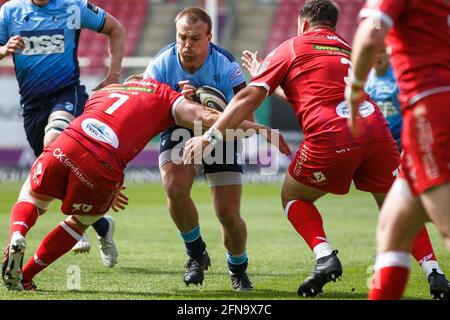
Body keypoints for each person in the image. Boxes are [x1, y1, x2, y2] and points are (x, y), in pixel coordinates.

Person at [184, 0, 447, 298]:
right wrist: (269, 76)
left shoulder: (293, 46)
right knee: (398, 207)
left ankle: (324, 257)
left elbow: (247, 99)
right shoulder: (345, 47)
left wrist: (210, 137)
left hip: (332, 135)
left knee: (293, 196)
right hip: (376, 131)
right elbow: (309, 95)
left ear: (303, 24)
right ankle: (434, 272)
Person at [1, 74, 290, 291]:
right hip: (104, 166)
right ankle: (25, 275)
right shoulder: (166, 97)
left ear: (134, 79)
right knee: (79, 222)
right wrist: (256, 127)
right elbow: (207, 116)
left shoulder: (108, 90)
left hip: (70, 142)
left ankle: (17, 233)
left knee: (32, 197)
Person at [0, 0, 127, 266]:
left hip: (66, 94)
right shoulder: (10, 11)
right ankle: (102, 225)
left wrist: (113, 74)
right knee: (54, 176)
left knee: (53, 141)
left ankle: (75, 229)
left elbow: (116, 29)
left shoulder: (74, 7)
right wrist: (4, 50)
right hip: (32, 104)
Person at [143, 7, 255, 290]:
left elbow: (248, 123)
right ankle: (195, 254)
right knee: (174, 187)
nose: (187, 45)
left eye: (194, 38)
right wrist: (180, 108)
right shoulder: (159, 66)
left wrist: (211, 126)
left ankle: (238, 270)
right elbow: (143, 115)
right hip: (179, 128)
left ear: (209, 38)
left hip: (222, 131)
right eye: (182, 37)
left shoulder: (227, 66)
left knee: (227, 214)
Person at [346, 0, 450, 300]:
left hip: (430, 110)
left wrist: (353, 90)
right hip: (434, 109)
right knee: (392, 231)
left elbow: (371, 35)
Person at [365, 46, 402, 151]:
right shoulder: (365, 78)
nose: (377, 56)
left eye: (381, 51)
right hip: (378, 142)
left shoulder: (398, 77)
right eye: (373, 51)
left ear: (388, 53)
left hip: (399, 141)